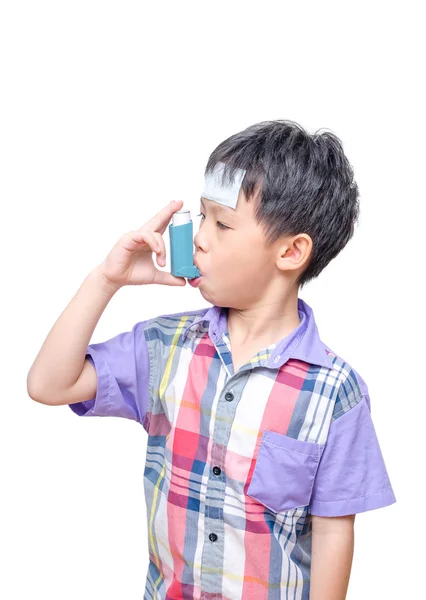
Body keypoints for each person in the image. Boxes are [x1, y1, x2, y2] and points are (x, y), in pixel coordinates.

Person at [27, 119, 396, 600]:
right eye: (202, 217)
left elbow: (332, 533)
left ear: (291, 252)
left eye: (222, 224)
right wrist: (105, 280)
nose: (199, 237)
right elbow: (48, 385)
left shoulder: (334, 391)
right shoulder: (166, 347)